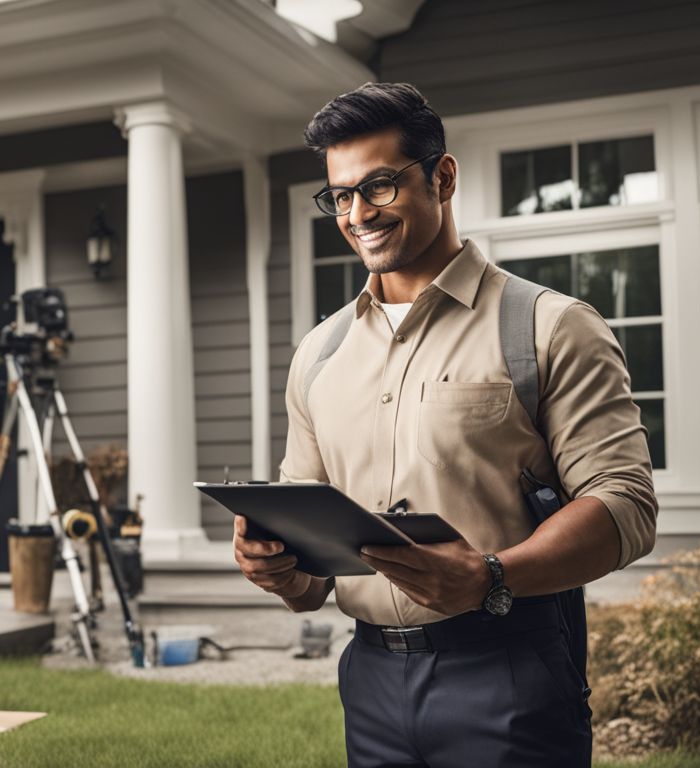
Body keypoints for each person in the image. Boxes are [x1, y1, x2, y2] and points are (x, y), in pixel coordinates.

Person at [232, 82, 657, 768]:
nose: (358, 213)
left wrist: (492, 574)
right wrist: (276, 565)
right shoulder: (318, 354)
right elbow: (313, 580)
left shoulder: (549, 327)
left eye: (378, 185)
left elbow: (626, 505)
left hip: (510, 670)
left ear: (443, 176)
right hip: (369, 683)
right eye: (341, 195)